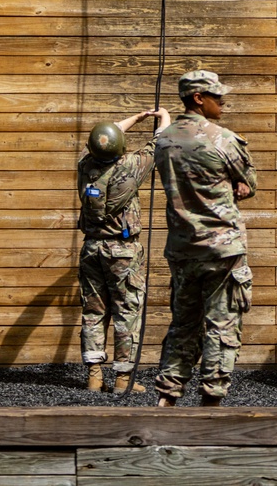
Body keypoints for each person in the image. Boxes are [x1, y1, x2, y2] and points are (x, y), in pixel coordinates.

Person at [153, 70, 257, 407]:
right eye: (217, 96)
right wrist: (229, 187)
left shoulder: (163, 140)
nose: (223, 102)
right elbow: (249, 183)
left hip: (183, 248)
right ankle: (211, 400)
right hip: (221, 250)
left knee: (183, 324)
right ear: (198, 98)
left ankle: (167, 396)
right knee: (222, 325)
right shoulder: (222, 139)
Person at [77, 106, 171, 393]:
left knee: (94, 311)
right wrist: (161, 115)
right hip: (123, 252)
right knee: (127, 311)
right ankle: (122, 379)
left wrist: (136, 117)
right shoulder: (130, 167)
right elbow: (161, 140)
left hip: (91, 249)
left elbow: (104, 137)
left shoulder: (86, 167)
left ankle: (94, 376)